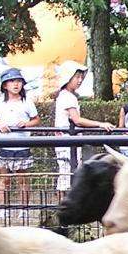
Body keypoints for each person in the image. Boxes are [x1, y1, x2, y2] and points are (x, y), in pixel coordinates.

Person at [54, 61, 113, 195]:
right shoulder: (67, 96)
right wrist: (100, 124)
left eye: (81, 77)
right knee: (67, 175)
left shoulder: (66, 95)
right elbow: (77, 120)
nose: (80, 80)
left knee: (67, 174)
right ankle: (65, 203)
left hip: (67, 141)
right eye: (77, 77)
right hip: (68, 142)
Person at [0, 68, 39, 207]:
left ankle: (24, 209)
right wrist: (0, 124)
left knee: (23, 180)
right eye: (11, 81)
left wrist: (26, 124)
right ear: (5, 85)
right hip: (4, 145)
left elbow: (36, 120)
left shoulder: (27, 102)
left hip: (22, 146)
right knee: (4, 179)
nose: (16, 84)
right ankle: (3, 209)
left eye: (18, 81)